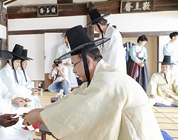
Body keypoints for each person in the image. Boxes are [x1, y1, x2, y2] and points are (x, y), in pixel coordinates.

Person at [24, 25, 163, 140]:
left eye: (74, 65)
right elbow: (75, 98)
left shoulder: (106, 80)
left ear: (88, 61)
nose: (73, 71)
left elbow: (82, 109)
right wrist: (44, 111)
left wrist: (41, 116)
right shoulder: (102, 75)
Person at [0, 44, 43, 140]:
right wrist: (27, 93)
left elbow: (20, 85)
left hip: (15, 98)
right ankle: (28, 125)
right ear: (10, 60)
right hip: (7, 102)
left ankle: (31, 125)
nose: (19, 64)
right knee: (27, 109)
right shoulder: (5, 72)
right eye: (18, 62)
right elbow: (13, 87)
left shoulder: (13, 70)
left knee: (35, 104)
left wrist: (30, 90)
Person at [86, 8, 126, 73]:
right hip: (106, 68)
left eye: (94, 28)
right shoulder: (102, 35)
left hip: (115, 69)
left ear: (99, 25)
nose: (95, 30)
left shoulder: (113, 33)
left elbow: (112, 56)